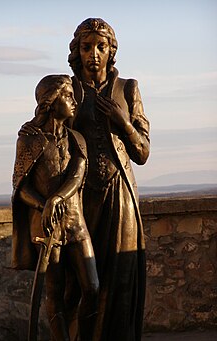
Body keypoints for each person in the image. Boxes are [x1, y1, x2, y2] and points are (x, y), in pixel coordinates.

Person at [67, 18, 150, 341]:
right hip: (82, 197)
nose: (94, 54)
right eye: (87, 47)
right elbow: (52, 135)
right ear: (77, 51)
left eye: (101, 47)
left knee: (120, 280)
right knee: (81, 281)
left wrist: (123, 121)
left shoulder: (127, 88)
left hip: (120, 195)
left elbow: (142, 152)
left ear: (111, 50)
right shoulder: (69, 89)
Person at [12, 74, 99, 341]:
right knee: (55, 292)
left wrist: (56, 199)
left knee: (92, 288)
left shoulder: (76, 139)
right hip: (46, 226)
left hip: (75, 222)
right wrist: (43, 204)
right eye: (68, 96)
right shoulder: (29, 140)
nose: (73, 101)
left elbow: (77, 173)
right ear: (51, 101)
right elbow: (20, 187)